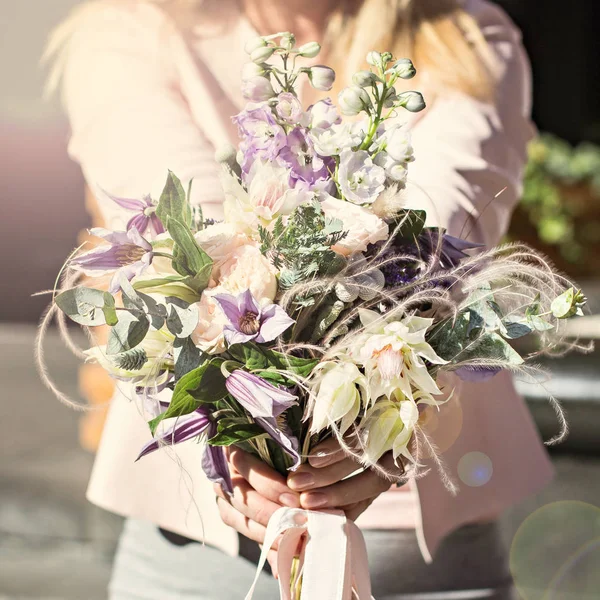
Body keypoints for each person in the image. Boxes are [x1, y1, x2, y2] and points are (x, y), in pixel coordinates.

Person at [47, 0, 551, 597]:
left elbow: (434, 248)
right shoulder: (130, 30)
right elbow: (192, 249)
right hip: (205, 557)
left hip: (433, 564)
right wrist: (242, 434)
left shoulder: (462, 35)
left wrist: (383, 421)